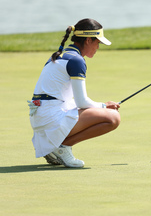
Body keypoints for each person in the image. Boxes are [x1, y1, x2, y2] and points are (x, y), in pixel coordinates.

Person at [27, 18, 121, 168]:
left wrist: (100, 106)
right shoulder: (76, 60)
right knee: (113, 118)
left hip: (42, 117)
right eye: (97, 43)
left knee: (101, 113)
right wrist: (104, 106)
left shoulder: (62, 55)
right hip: (50, 119)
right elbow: (81, 102)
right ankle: (62, 147)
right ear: (89, 40)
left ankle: (58, 147)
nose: (98, 47)